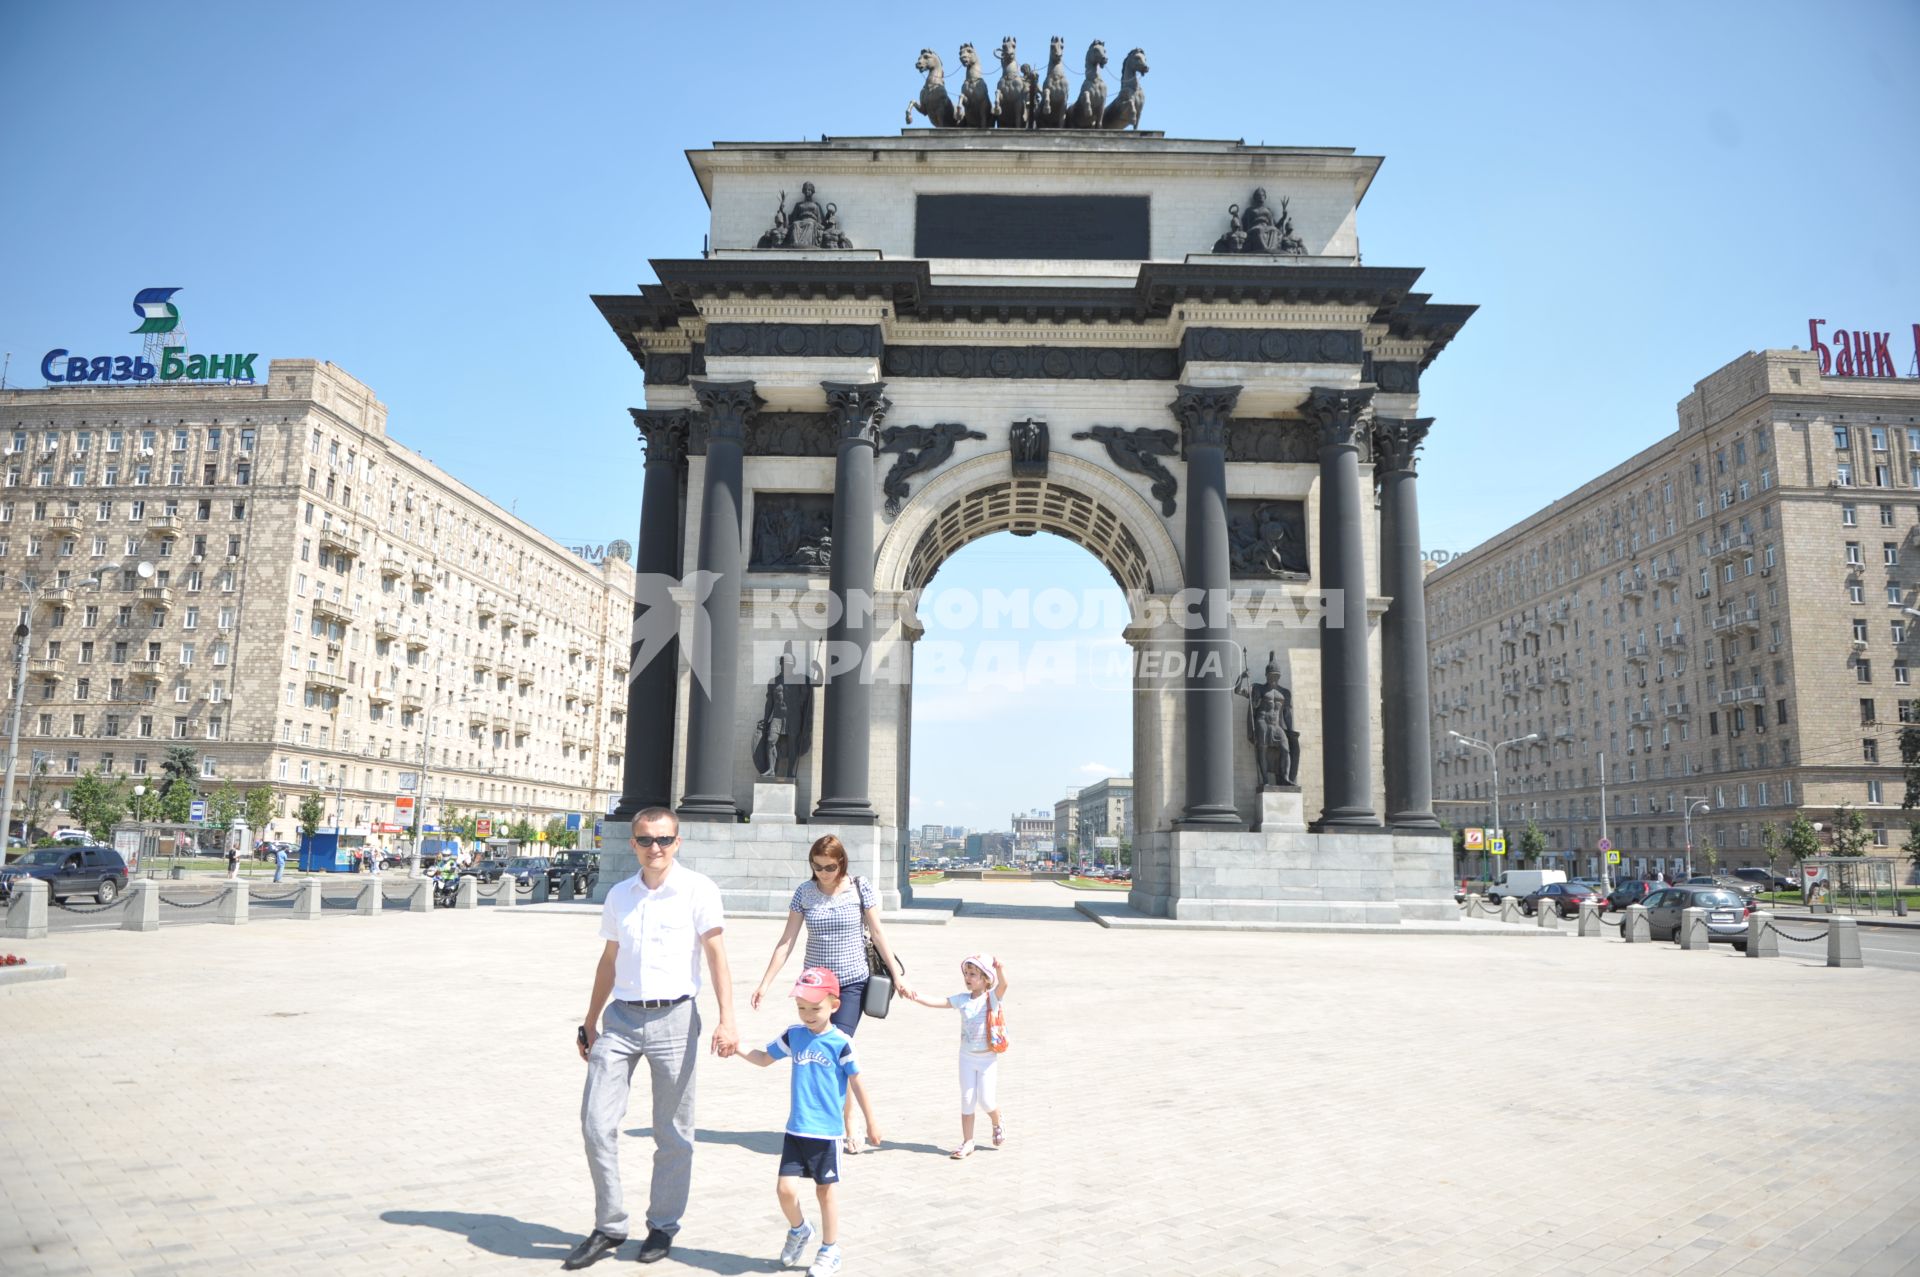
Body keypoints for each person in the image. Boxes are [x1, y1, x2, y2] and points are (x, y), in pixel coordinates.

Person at [565, 808, 737, 1271]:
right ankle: (610, 1225)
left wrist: (728, 1020)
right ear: (633, 844)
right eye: (645, 840)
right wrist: (590, 1019)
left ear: (677, 842)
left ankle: (662, 1226)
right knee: (595, 1124)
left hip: (677, 1018)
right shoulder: (621, 895)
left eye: (663, 839)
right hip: (620, 1019)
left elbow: (718, 957)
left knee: (673, 1133)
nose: (654, 847)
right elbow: (609, 959)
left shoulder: (699, 890)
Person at [750, 834, 910, 1155]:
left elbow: (878, 933)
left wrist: (897, 976)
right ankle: (837, 1119)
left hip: (852, 983)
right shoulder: (804, 894)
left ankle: (849, 1123)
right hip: (815, 986)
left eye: (830, 867)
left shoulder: (860, 888)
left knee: (839, 1048)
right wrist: (765, 982)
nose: (823, 873)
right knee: (830, 1051)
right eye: (817, 866)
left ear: (842, 863)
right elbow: (787, 940)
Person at [737, 967, 879, 1277]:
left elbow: (857, 1082)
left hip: (826, 1134)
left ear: (834, 1006)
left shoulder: (841, 1043)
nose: (808, 1015)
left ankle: (830, 1249)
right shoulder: (795, 1035)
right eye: (802, 1008)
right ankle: (800, 1230)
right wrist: (736, 1047)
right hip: (795, 1130)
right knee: (785, 1190)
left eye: (815, 1008)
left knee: (824, 1191)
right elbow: (764, 1058)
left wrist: (870, 1123)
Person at [903, 953, 1009, 1160]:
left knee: (987, 1101)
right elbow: (937, 1001)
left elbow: (1004, 984)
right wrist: (914, 995)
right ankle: (968, 1141)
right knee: (967, 1099)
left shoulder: (992, 997)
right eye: (966, 974)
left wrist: (1000, 969)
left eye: (973, 974)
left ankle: (997, 1121)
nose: (968, 978)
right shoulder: (962, 999)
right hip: (967, 1058)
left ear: (986, 978)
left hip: (987, 1059)